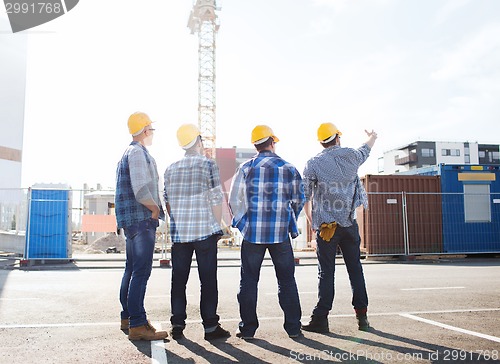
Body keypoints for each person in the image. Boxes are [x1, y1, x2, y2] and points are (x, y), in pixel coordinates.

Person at [229, 125, 305, 339]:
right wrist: (288, 218)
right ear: (272, 142)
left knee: (249, 281)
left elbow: (234, 200)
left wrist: (243, 223)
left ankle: (247, 329)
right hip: (280, 235)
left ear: (255, 145)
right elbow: (299, 199)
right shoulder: (288, 168)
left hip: (252, 235)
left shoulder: (246, 167)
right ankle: (293, 327)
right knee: (287, 280)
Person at [301, 122, 377, 333]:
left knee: (326, 273)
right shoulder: (352, 156)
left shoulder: (313, 163)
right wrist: (373, 136)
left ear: (321, 142)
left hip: (326, 227)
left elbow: (305, 197)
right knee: (355, 270)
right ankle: (362, 318)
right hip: (349, 224)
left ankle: (321, 319)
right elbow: (366, 148)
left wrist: (311, 223)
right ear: (337, 138)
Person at [163, 124, 230, 341]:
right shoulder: (208, 165)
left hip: (180, 235)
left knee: (178, 280)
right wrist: (218, 224)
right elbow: (215, 199)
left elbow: (168, 203)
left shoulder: (170, 169)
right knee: (208, 280)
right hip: (204, 233)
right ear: (199, 141)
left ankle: (177, 325)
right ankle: (210, 326)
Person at [115, 112, 168, 341]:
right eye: (151, 129)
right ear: (145, 130)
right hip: (142, 219)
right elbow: (140, 188)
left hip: (132, 221)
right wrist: (155, 209)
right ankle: (138, 324)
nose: (153, 134)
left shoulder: (128, 153)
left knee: (131, 269)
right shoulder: (137, 153)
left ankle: (127, 317)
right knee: (141, 271)